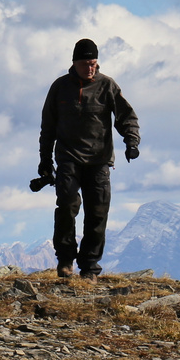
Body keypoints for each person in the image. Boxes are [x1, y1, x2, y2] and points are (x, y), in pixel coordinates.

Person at [37, 38, 141, 279]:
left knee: (97, 213)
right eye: (86, 63)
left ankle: (90, 267)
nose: (90, 68)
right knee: (66, 206)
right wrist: (44, 160)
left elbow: (126, 116)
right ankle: (65, 260)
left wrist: (131, 141)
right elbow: (48, 127)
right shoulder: (59, 88)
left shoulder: (107, 86)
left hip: (99, 161)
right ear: (75, 63)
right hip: (68, 159)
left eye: (94, 63)